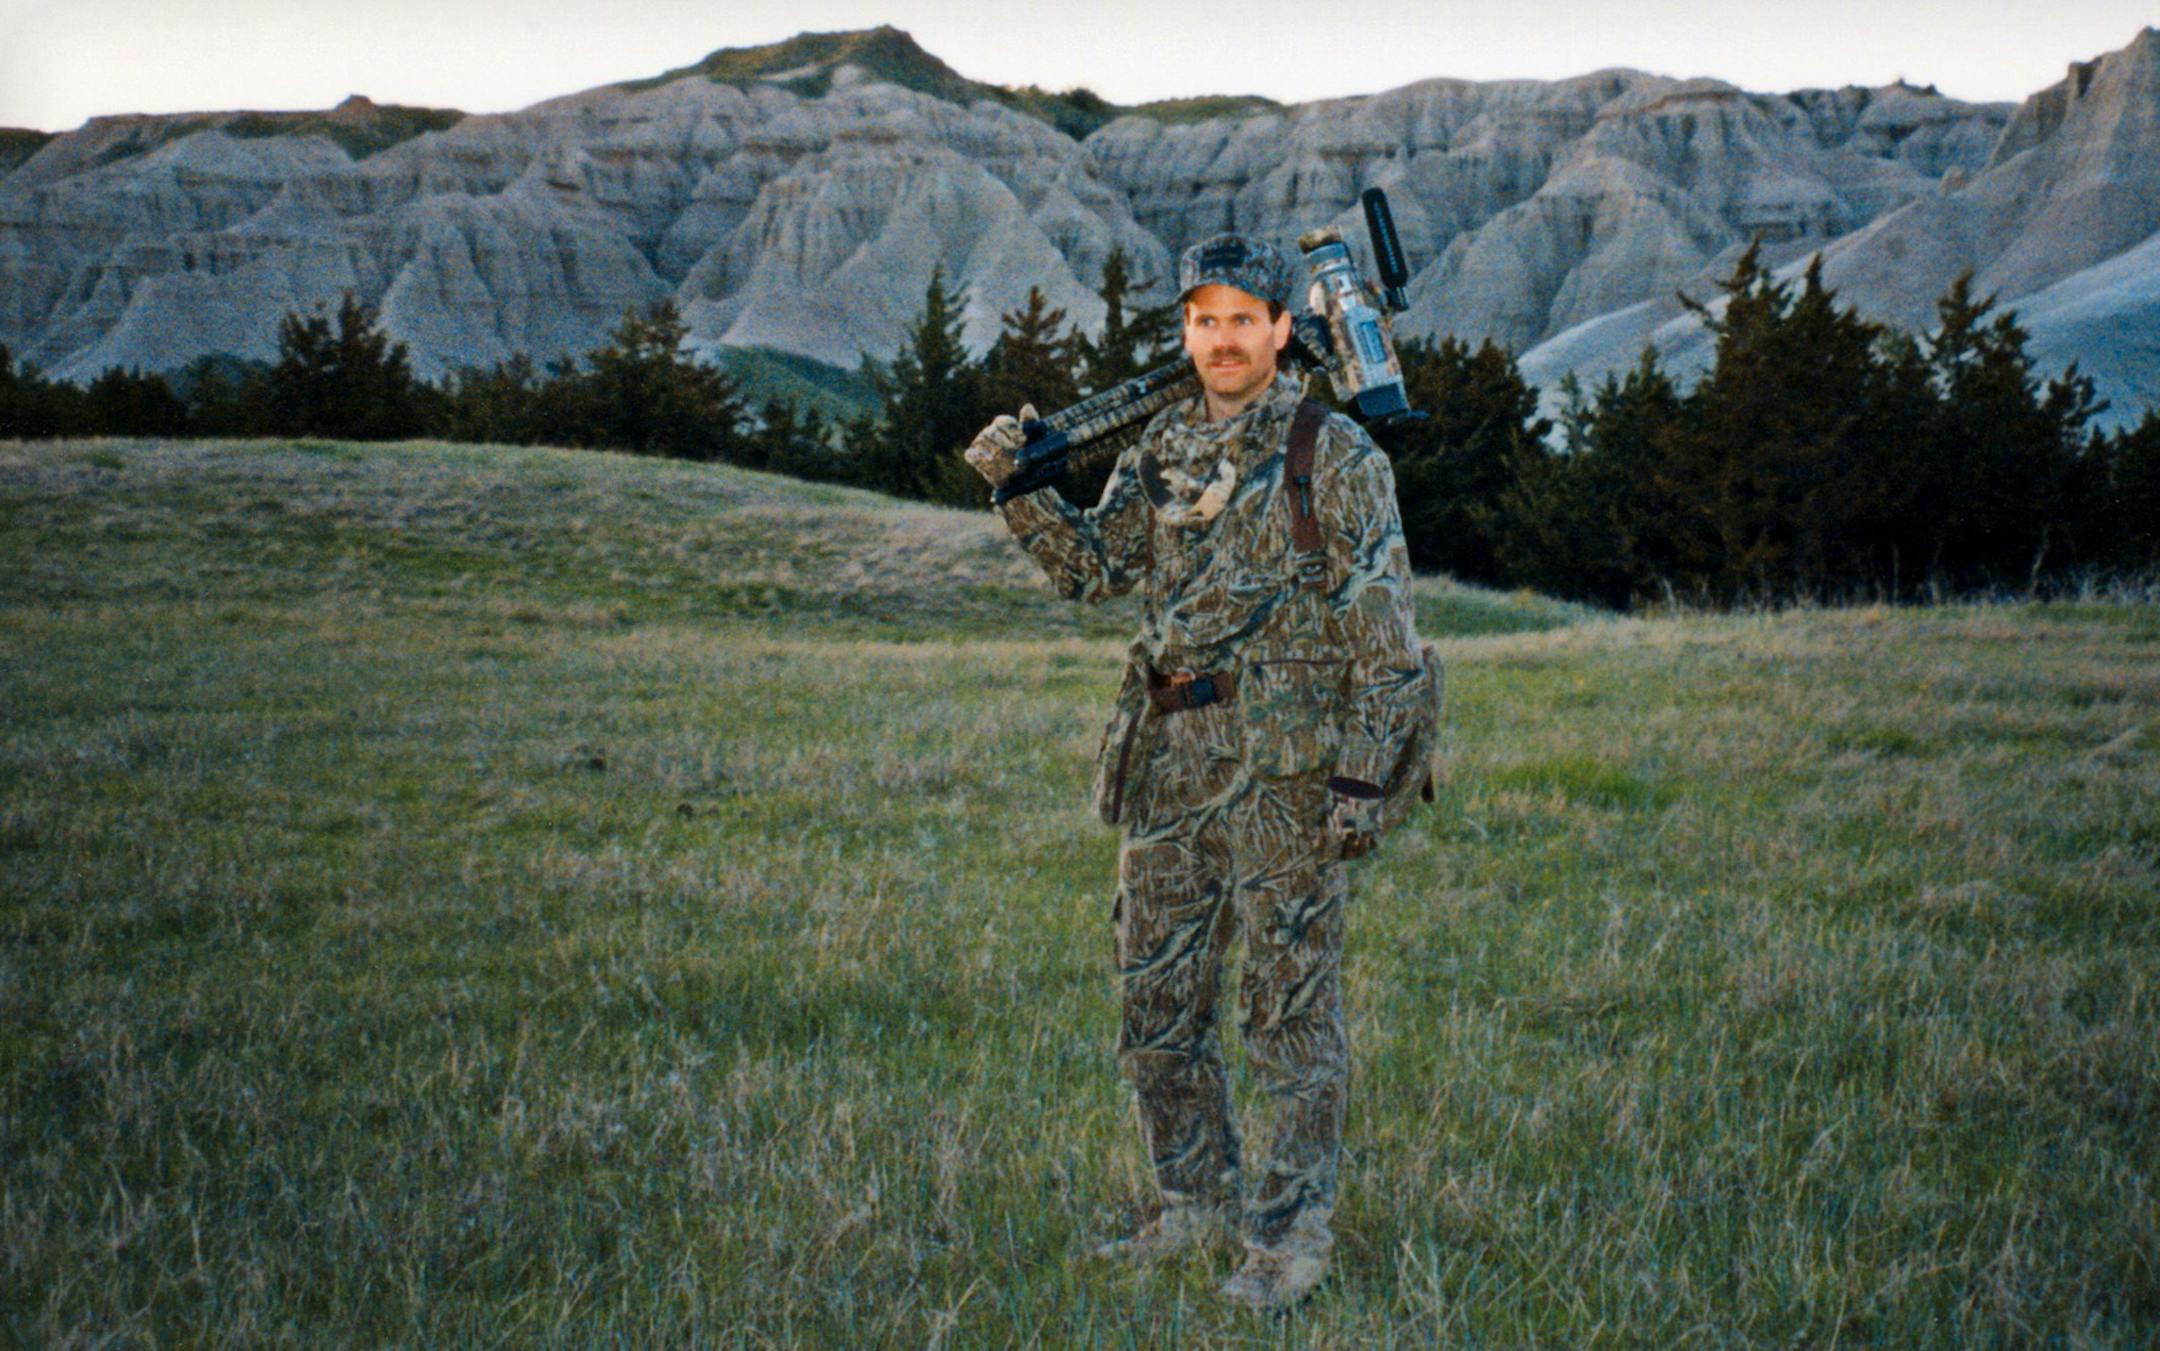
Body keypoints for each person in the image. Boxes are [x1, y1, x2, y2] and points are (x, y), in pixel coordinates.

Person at [962, 233, 1432, 1313]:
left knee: (1288, 1012)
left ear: (1282, 329)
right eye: (1205, 320)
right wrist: (1019, 490)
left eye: (1244, 319)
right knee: (1157, 999)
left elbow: (1388, 644)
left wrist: (1362, 783)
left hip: (1288, 776)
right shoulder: (1159, 447)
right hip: (1172, 763)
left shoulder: (1336, 455)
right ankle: (1192, 1207)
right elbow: (1093, 571)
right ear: (1185, 333)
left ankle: (1289, 1238)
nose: (1224, 339)